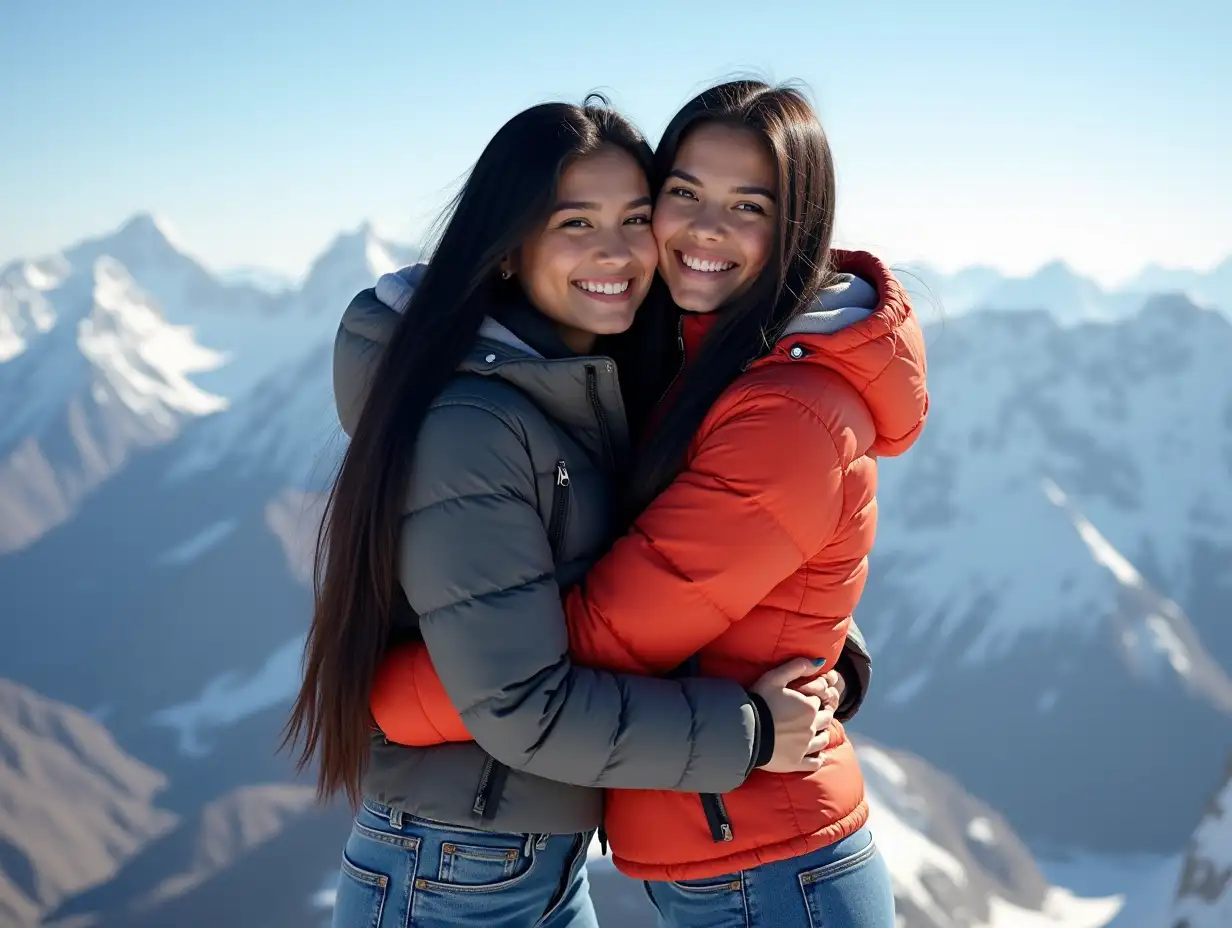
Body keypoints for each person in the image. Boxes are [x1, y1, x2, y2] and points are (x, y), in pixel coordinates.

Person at [284, 96, 872, 928]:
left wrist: (824, 651)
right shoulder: (476, 426)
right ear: (506, 252)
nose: (618, 252)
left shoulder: (590, 385)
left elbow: (661, 573)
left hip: (529, 860)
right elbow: (526, 701)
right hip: (453, 864)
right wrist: (746, 730)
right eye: (574, 223)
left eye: (635, 216)